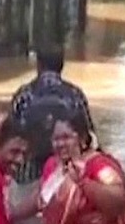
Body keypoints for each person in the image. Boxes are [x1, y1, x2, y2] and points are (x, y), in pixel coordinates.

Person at [13, 105, 125, 224]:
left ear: (81, 138)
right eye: (55, 139)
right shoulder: (53, 165)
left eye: (66, 137)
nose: (60, 144)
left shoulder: (99, 165)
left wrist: (83, 182)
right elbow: (40, 199)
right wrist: (8, 216)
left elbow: (117, 202)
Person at [9, 42, 96, 185]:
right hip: (65, 173)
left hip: (28, 173)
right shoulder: (75, 94)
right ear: (62, 65)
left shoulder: (24, 95)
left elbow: (10, 135)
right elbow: (89, 137)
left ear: (38, 65)